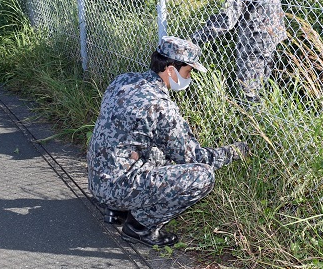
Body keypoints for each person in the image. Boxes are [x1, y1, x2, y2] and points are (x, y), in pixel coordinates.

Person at [87, 36, 247, 247]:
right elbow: (194, 157)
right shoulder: (160, 106)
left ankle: (117, 210)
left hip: (98, 177)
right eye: (188, 72)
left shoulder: (124, 80)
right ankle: (140, 227)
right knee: (202, 176)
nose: (189, 77)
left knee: (154, 148)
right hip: (116, 186)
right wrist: (233, 152)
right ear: (171, 70)